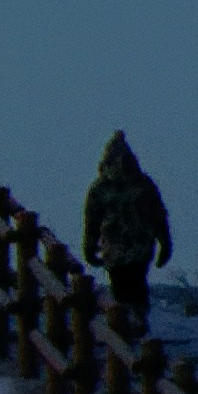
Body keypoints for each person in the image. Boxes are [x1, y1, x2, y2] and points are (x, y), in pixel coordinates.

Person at [81, 132, 171, 335]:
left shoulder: (99, 188)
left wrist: (89, 247)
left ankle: (124, 324)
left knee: (121, 287)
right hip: (141, 246)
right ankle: (137, 319)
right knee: (137, 284)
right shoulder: (144, 184)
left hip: (114, 249)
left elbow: (92, 221)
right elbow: (159, 216)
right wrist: (165, 244)